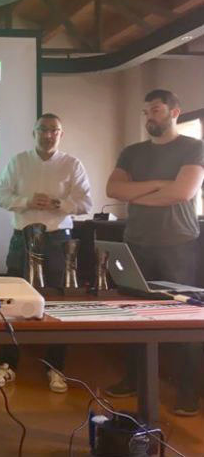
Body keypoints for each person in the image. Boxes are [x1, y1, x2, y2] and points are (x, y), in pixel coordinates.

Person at [105, 89, 204, 416]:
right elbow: (113, 189)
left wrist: (137, 194)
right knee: (134, 314)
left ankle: (188, 391)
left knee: (185, 318)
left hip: (178, 245)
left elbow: (183, 192)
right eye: (146, 111)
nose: (150, 117)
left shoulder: (193, 147)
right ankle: (133, 378)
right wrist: (160, 184)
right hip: (137, 243)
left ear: (175, 112)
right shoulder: (132, 152)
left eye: (157, 110)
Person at [0, 113, 92, 392]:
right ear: (34, 132)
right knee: (11, 301)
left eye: (54, 130)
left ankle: (55, 367)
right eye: (43, 130)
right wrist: (26, 201)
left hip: (57, 240)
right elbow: (0, 196)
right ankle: (7, 364)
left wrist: (60, 204)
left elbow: (86, 203)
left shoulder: (72, 164)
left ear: (61, 134)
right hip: (22, 238)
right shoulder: (18, 161)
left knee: (58, 303)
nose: (48, 135)